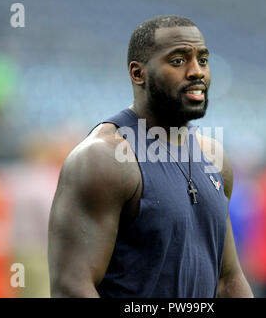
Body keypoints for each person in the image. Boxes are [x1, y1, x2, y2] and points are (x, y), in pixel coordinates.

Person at [48, 15, 253, 298]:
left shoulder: (214, 159)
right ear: (138, 73)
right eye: (179, 61)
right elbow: (72, 287)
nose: (197, 72)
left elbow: (229, 279)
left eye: (203, 60)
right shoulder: (103, 158)